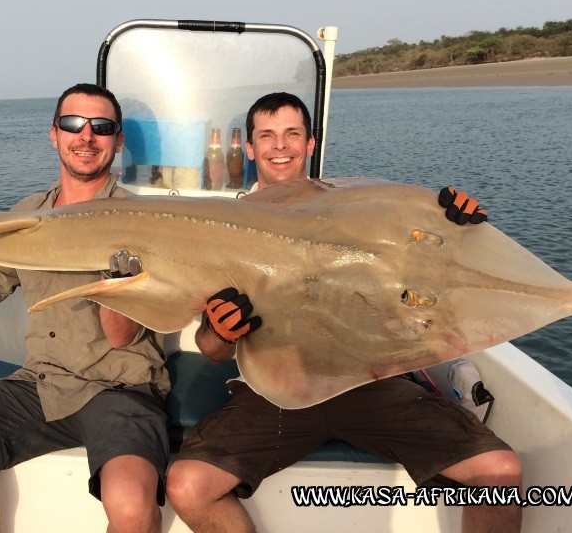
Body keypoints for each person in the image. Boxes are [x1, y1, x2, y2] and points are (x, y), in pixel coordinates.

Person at [166, 92, 522, 532]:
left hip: (371, 385)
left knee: (500, 473)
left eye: (292, 134)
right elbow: (212, 350)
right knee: (186, 486)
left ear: (311, 144)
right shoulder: (223, 227)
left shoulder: (358, 210)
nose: (281, 146)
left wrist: (457, 226)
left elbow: (427, 271)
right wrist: (221, 331)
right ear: (251, 148)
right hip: (277, 394)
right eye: (267, 136)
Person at [0, 84, 170, 533]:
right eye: (72, 124)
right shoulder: (29, 212)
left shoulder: (142, 222)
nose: (86, 136)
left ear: (117, 141)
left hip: (121, 390)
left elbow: (122, 338)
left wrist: (122, 287)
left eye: (101, 128)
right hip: (40, 383)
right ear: (54, 135)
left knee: (131, 506)